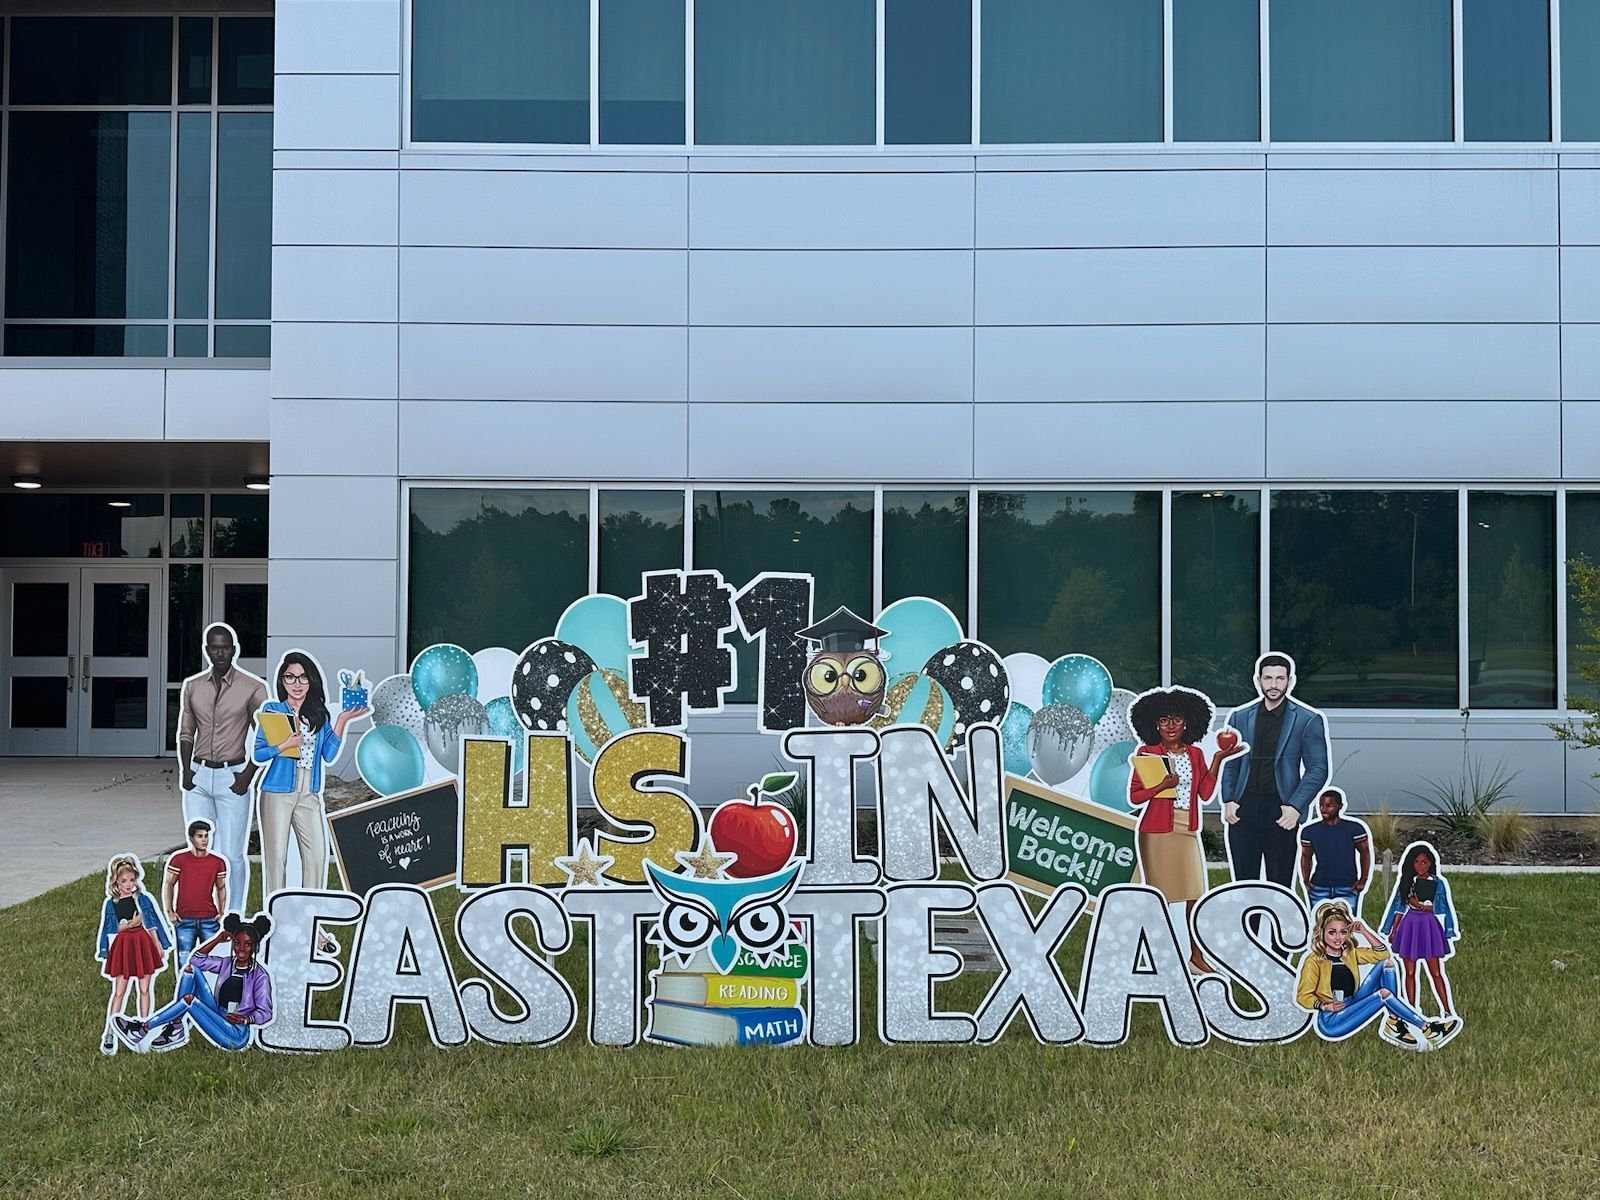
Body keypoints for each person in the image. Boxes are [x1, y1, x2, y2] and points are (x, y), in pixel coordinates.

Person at [1126, 687, 1246, 975]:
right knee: (1159, 896)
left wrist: (1218, 760)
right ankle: (1158, 956)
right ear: (1155, 723)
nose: (1170, 725)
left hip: (1186, 829)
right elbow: (1135, 797)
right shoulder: (1147, 753)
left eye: (1176, 719)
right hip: (1156, 832)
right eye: (1164, 719)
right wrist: (1161, 787)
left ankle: (1195, 955)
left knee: (1195, 894)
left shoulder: (1194, 754)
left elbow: (1204, 793)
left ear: (1187, 722)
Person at [252, 651, 368, 901]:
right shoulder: (273, 710)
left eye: (303, 678)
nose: (297, 684)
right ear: (282, 681)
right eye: (290, 677)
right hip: (277, 791)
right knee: (276, 857)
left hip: (309, 792)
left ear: (311, 681)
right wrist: (284, 745)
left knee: (316, 855)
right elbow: (258, 753)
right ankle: (276, 916)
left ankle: (311, 915)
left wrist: (342, 721)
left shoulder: (318, 714)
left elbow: (328, 754)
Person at [1220, 652, 1330, 889]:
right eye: (1268, 678)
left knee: (1279, 887)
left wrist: (1295, 806)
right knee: (1243, 885)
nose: (1273, 684)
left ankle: (1277, 928)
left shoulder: (1308, 719)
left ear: (1290, 681)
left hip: (1282, 810)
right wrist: (1228, 799)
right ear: (1258, 680)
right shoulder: (1239, 717)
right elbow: (1231, 762)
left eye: (1280, 678)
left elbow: (1318, 769)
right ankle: (1245, 926)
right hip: (1243, 808)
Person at [176, 623, 266, 912]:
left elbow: (270, 736)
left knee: (231, 853)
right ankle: (202, 912)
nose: (220, 652)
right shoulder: (192, 686)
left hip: (233, 777)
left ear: (234, 650)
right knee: (199, 852)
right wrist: (185, 770)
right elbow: (186, 731)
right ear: (206, 651)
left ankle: (234, 915)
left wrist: (248, 776)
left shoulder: (253, 688)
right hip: (198, 776)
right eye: (214, 647)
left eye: (225, 647)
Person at [1296, 901, 1458, 1050]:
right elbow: (1303, 996)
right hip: (1333, 1019)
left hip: (1353, 1003)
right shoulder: (1314, 961)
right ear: (1322, 932)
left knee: (1387, 965)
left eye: (1343, 932)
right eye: (1332, 932)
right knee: (1383, 995)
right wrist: (1325, 1006)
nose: (1338, 938)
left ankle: (1394, 1023)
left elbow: (1382, 954)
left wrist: (1364, 931)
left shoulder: (1349, 953)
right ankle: (1427, 1028)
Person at [114, 913, 273, 1052]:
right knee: (190, 970)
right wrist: (217, 939)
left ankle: (143, 1029)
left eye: (248, 944)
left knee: (189, 1001)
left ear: (255, 947)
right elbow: (196, 960)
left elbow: (265, 1012)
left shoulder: (260, 976)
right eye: (237, 943)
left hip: (235, 1033)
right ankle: (175, 1026)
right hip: (217, 1014)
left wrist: (245, 1019)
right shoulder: (227, 964)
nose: (241, 949)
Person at [96, 855, 172, 1054]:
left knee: (145, 989)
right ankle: (110, 1032)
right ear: (115, 882)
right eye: (123, 881)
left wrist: (158, 945)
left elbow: (152, 923)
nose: (128, 885)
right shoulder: (111, 903)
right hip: (123, 946)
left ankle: (144, 1029)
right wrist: (130, 924)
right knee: (119, 991)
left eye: (132, 880)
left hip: (142, 943)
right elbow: (111, 929)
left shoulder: (143, 899)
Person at [1380, 841, 1460, 1022]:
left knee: (1436, 972)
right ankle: (1411, 1010)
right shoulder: (1407, 882)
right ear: (1411, 864)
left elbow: (1442, 908)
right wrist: (1392, 928)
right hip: (1410, 926)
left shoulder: (1437, 884)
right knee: (1409, 972)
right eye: (1417, 862)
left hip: (1429, 927)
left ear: (1431, 863)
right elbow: (1398, 906)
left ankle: (1447, 1010)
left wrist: (1423, 908)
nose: (1421, 866)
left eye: (1424, 862)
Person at [162, 820, 227, 965]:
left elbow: (221, 887)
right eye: (200, 836)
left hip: (209, 918)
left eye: (206, 836)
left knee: (211, 960)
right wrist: (170, 911)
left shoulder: (217, 862)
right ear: (191, 838)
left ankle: (208, 987)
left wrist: (222, 912)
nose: (204, 840)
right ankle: (186, 988)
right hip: (184, 919)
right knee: (185, 962)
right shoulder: (178, 860)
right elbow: (169, 884)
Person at [1298, 787, 1371, 911]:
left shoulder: (1354, 828)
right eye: (1321, 805)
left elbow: (1365, 853)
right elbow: (1306, 856)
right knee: (1319, 925)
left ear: (1340, 806)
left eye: (1329, 805)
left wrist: (1363, 880)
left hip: (1347, 886)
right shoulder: (1309, 831)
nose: (1323, 809)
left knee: (1347, 926)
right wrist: (1305, 880)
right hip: (1319, 885)